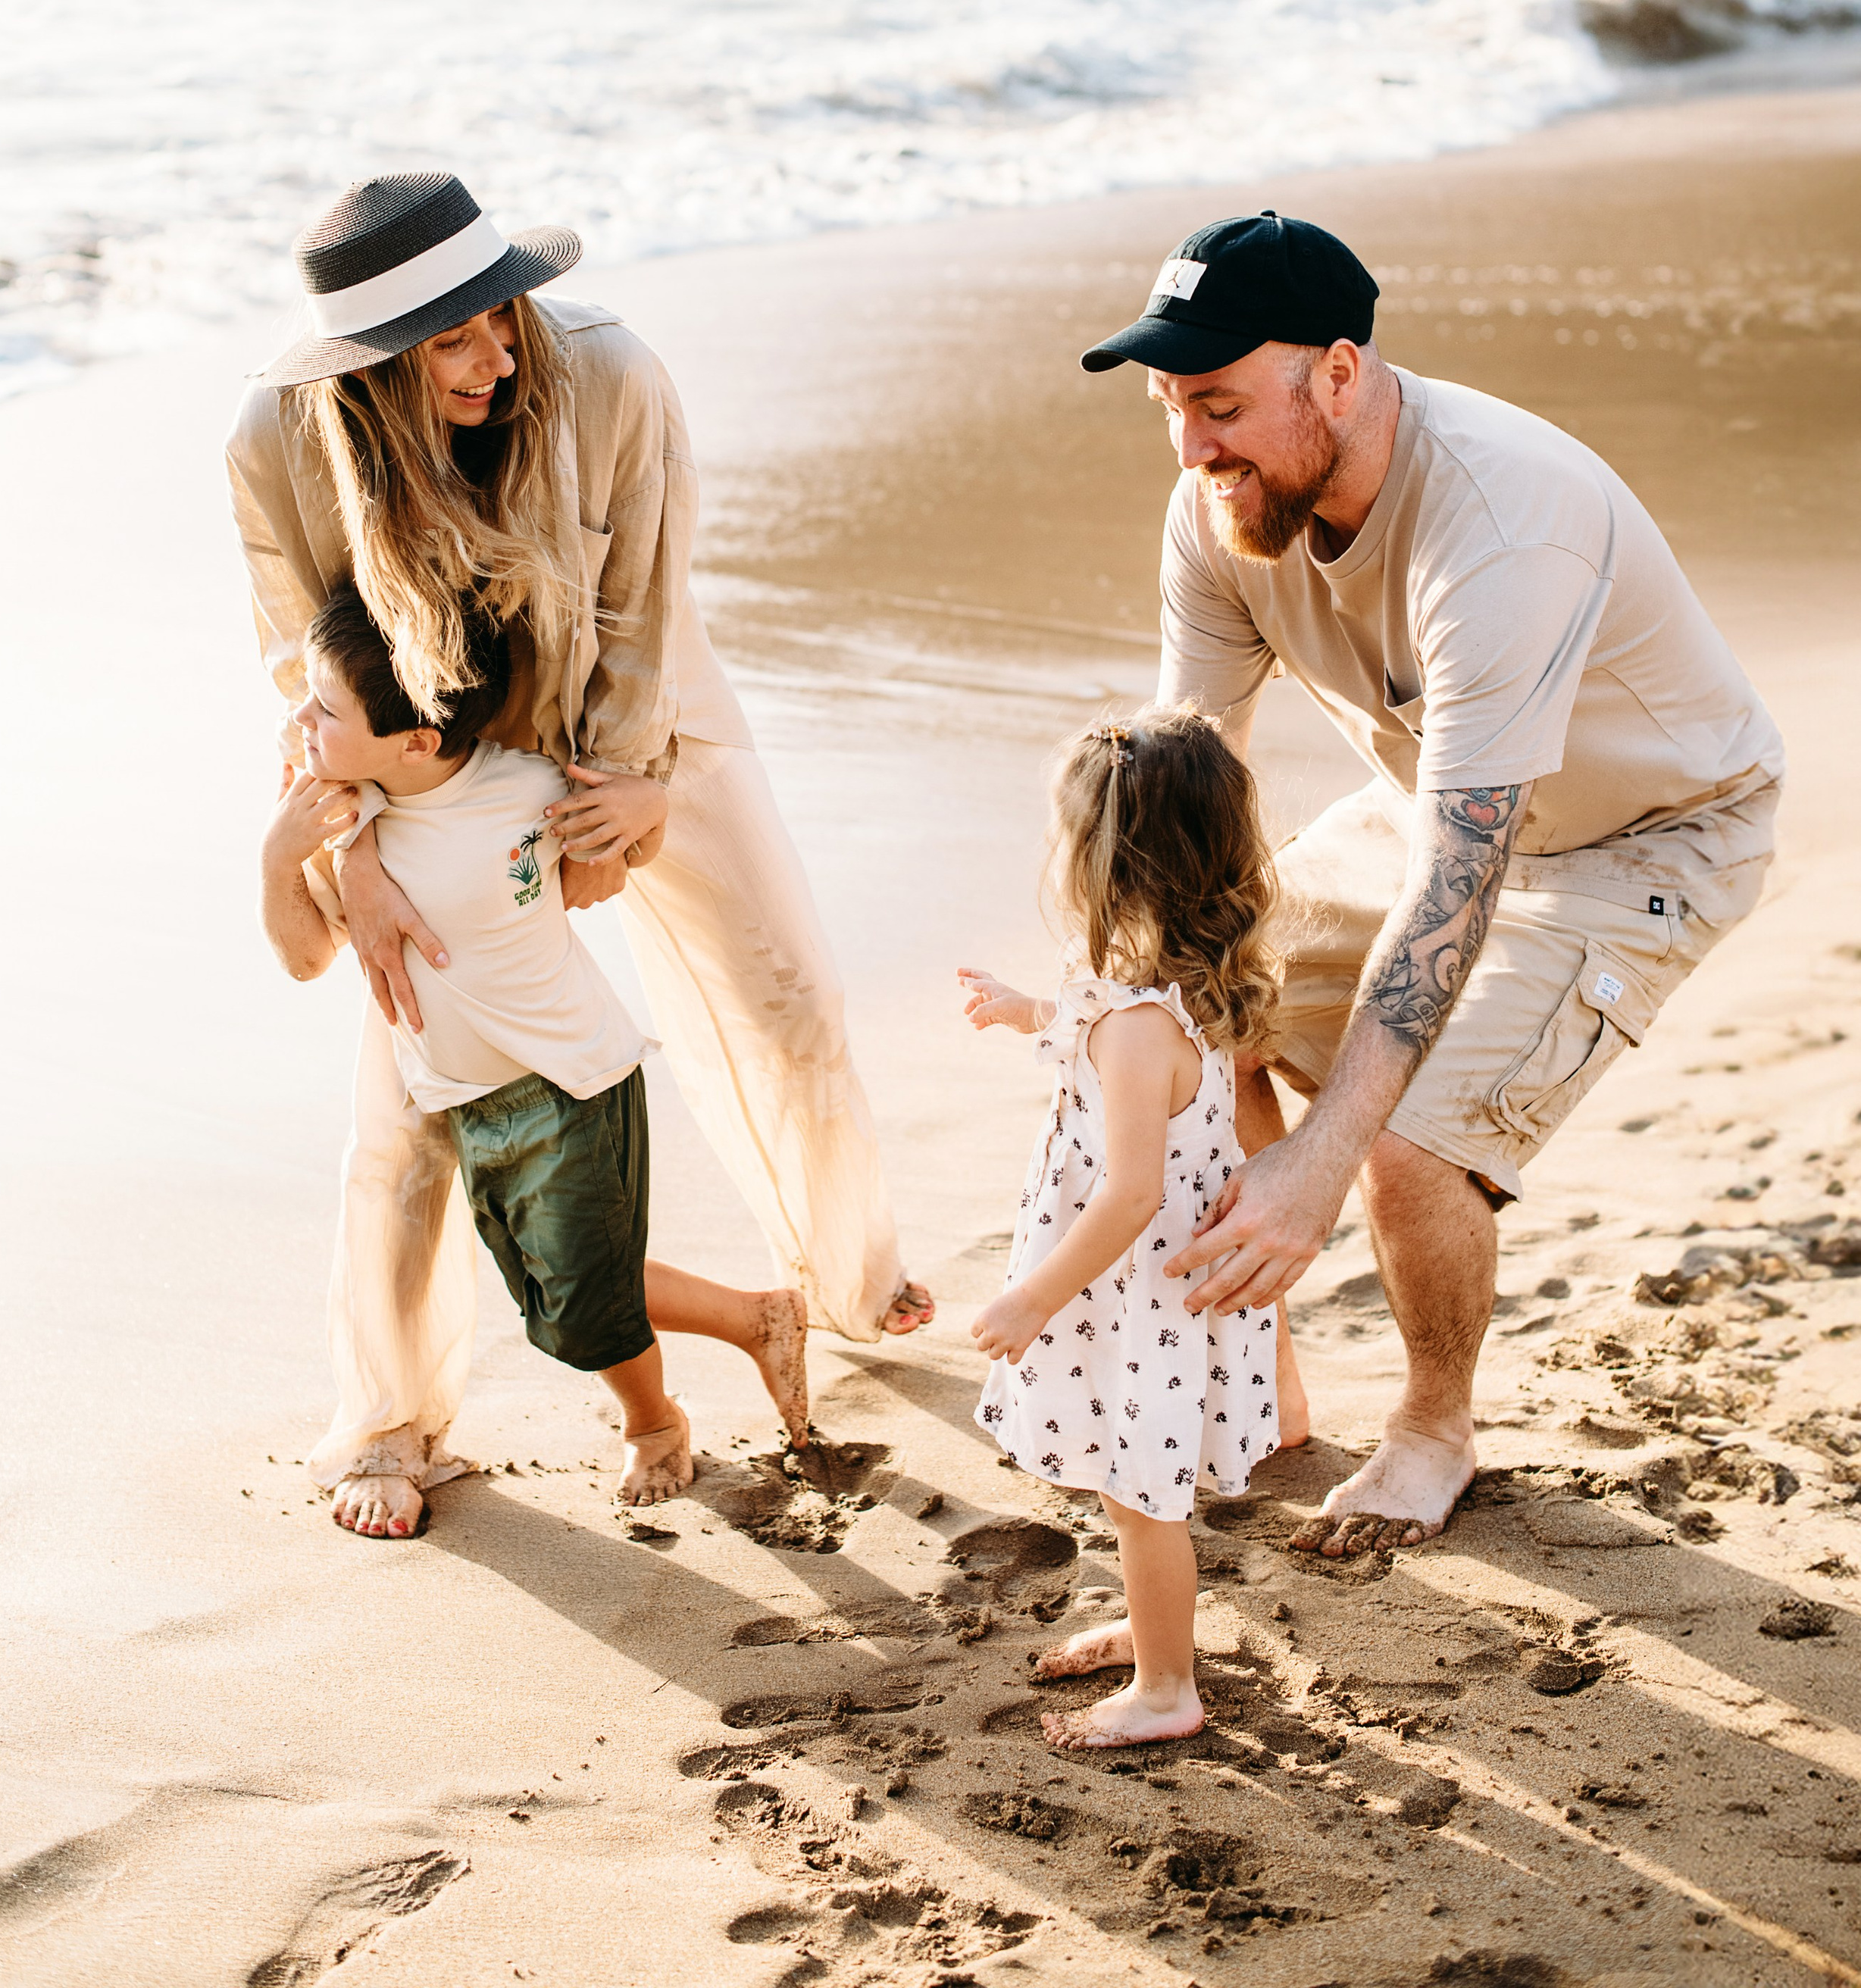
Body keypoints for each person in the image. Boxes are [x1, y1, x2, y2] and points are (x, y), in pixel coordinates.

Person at [229, 170, 929, 1539]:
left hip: (633, 706)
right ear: (371, 367)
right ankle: (390, 1416)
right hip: (418, 762)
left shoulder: (609, 372)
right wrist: (353, 850)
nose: (499, 353)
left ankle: (849, 1268)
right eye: (454, 340)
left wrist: (632, 788)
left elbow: (646, 598)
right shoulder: (275, 434)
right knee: (409, 1106)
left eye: (503, 312)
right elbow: (298, 669)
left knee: (788, 987)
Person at [1078, 208, 1784, 1556]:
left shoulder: (1504, 527)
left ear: (1340, 374)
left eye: (1219, 406)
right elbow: (1193, 785)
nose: (1192, 449)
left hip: (1645, 836)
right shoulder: (1217, 508)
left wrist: (1319, 1162)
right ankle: (1254, 1391)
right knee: (1191, 1011)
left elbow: (1459, 887)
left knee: (1403, 1145)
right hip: (1439, 805)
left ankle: (1431, 1431)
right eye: (1171, 408)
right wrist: (1117, 980)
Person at [261, 587, 812, 1502]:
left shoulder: (525, 790)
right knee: (555, 1302)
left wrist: (647, 798)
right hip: (465, 1103)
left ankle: (656, 1422)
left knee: (582, 1309)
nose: (299, 719)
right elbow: (304, 959)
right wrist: (277, 859)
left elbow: (646, 814)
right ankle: (758, 1318)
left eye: (325, 708)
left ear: (417, 742)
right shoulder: (345, 820)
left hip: (574, 1079)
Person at [959, 707, 1281, 1749]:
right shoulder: (1167, 992)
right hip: (1145, 1294)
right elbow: (1096, 1036)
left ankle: (1165, 1688)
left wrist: (1032, 1297)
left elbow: (1131, 1193)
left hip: (1133, 1294)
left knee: (1143, 1500)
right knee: (1132, 1485)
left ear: (1105, 867)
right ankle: (1155, 1631)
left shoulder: (1137, 1027)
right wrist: (1025, 1011)